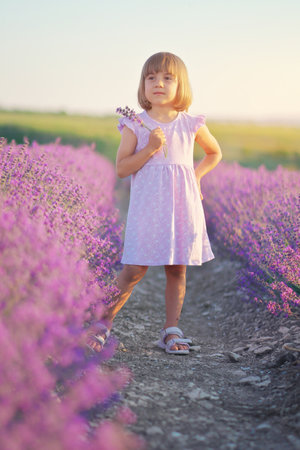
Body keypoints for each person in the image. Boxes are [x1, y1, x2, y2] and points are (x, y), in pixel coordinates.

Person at [87, 51, 222, 355]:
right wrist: (150, 148)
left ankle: (170, 331)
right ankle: (102, 323)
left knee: (177, 268)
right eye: (151, 77)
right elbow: (122, 168)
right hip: (148, 208)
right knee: (134, 269)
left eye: (167, 78)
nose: (158, 83)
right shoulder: (136, 124)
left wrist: (196, 178)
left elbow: (214, 153)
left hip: (181, 206)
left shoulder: (190, 124)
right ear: (143, 84)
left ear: (181, 85)